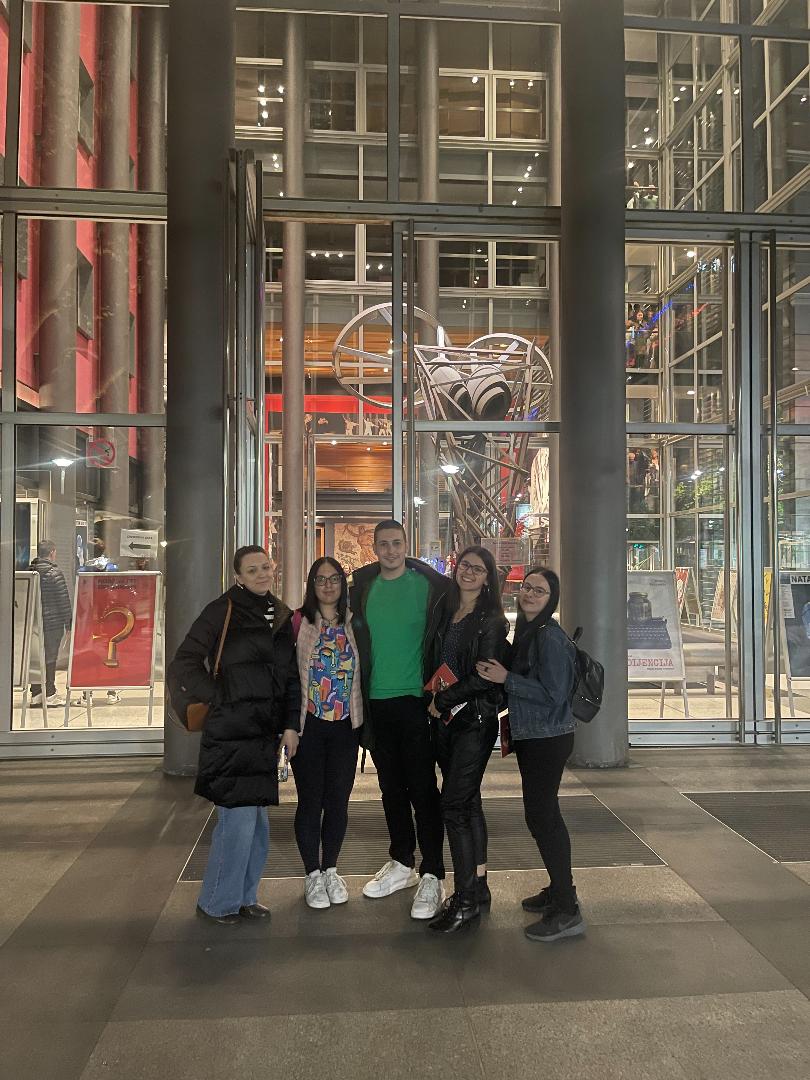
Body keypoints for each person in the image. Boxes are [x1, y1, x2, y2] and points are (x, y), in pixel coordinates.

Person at [170, 545, 301, 925]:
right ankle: (217, 902)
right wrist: (219, 696)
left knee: (256, 824)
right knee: (237, 822)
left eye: (266, 567)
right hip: (230, 731)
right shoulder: (222, 610)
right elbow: (184, 663)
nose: (262, 574)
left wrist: (290, 724)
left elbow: (289, 677)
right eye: (252, 569)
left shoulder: (280, 614)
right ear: (238, 577)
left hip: (263, 733)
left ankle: (244, 897)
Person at [476, 566, 585, 943]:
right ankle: (559, 889)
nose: (529, 594)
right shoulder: (529, 631)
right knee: (541, 815)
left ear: (551, 599)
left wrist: (507, 679)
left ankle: (567, 908)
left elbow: (554, 693)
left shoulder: (549, 636)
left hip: (548, 737)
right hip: (535, 735)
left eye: (539, 591)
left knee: (543, 817)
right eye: (526, 587)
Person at [349, 520, 452, 920]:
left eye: (396, 543)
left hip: (416, 701)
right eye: (383, 544)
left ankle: (433, 872)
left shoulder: (430, 587)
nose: (390, 550)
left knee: (423, 789)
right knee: (390, 788)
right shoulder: (364, 588)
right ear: (374, 548)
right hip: (376, 702)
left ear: (406, 545)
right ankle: (402, 861)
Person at [425, 545, 508, 934]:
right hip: (446, 722)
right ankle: (479, 886)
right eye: (464, 565)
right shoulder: (445, 609)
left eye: (478, 568)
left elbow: (484, 676)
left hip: (473, 722)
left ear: (488, 578)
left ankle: (464, 901)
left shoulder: (491, 620)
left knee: (454, 806)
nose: (469, 572)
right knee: (469, 802)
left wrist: (442, 700)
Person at [292, 557, 363, 910]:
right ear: (311, 585)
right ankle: (312, 873)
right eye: (320, 579)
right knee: (310, 801)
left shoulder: (355, 622)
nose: (328, 585)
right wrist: (288, 727)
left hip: (345, 726)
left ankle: (331, 868)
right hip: (309, 726)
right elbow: (288, 677)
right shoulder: (298, 622)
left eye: (334, 578)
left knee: (338, 801)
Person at [29, 540, 72, 707]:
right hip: (52, 624)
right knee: (50, 657)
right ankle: (50, 693)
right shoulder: (54, 573)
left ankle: (36, 694)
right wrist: (69, 625)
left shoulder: (29, 571)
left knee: (35, 657)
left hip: (33, 623)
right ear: (52, 552)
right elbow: (63, 601)